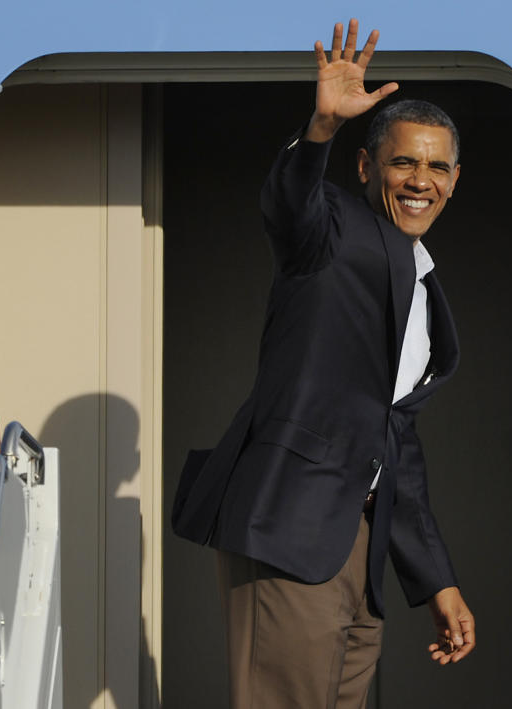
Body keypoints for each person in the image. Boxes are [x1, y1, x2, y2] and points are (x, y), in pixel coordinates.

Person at [171, 19, 475, 708]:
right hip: (291, 525)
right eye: (403, 162)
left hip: (357, 549)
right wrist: (321, 129)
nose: (419, 180)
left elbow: (396, 442)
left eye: (435, 166)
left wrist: (436, 581)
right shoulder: (332, 232)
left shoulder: (425, 289)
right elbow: (290, 207)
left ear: (455, 181)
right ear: (368, 168)